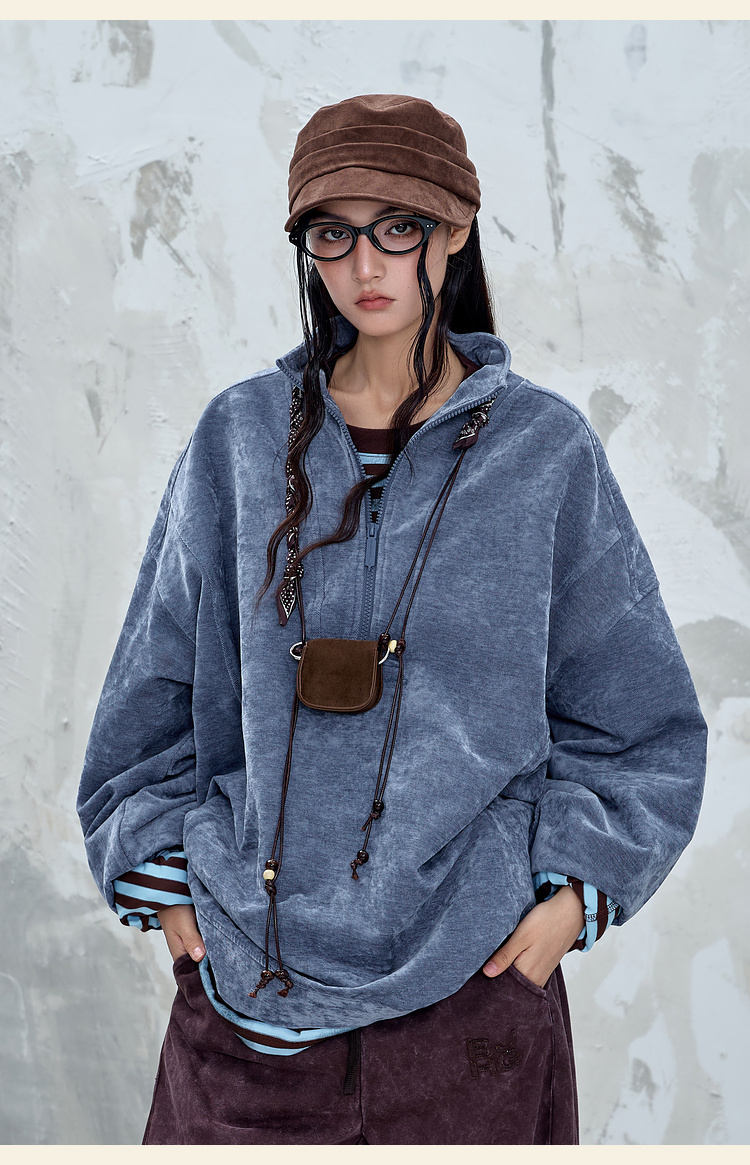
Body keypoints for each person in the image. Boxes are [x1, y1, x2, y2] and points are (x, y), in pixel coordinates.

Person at [77, 94, 707, 1146]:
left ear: (454, 233)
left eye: (398, 228)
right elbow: (150, 698)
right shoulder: (238, 440)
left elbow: (642, 724)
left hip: (475, 1009)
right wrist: (176, 897)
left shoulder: (545, 452)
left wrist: (566, 906)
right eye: (333, 233)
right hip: (247, 1012)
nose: (365, 264)